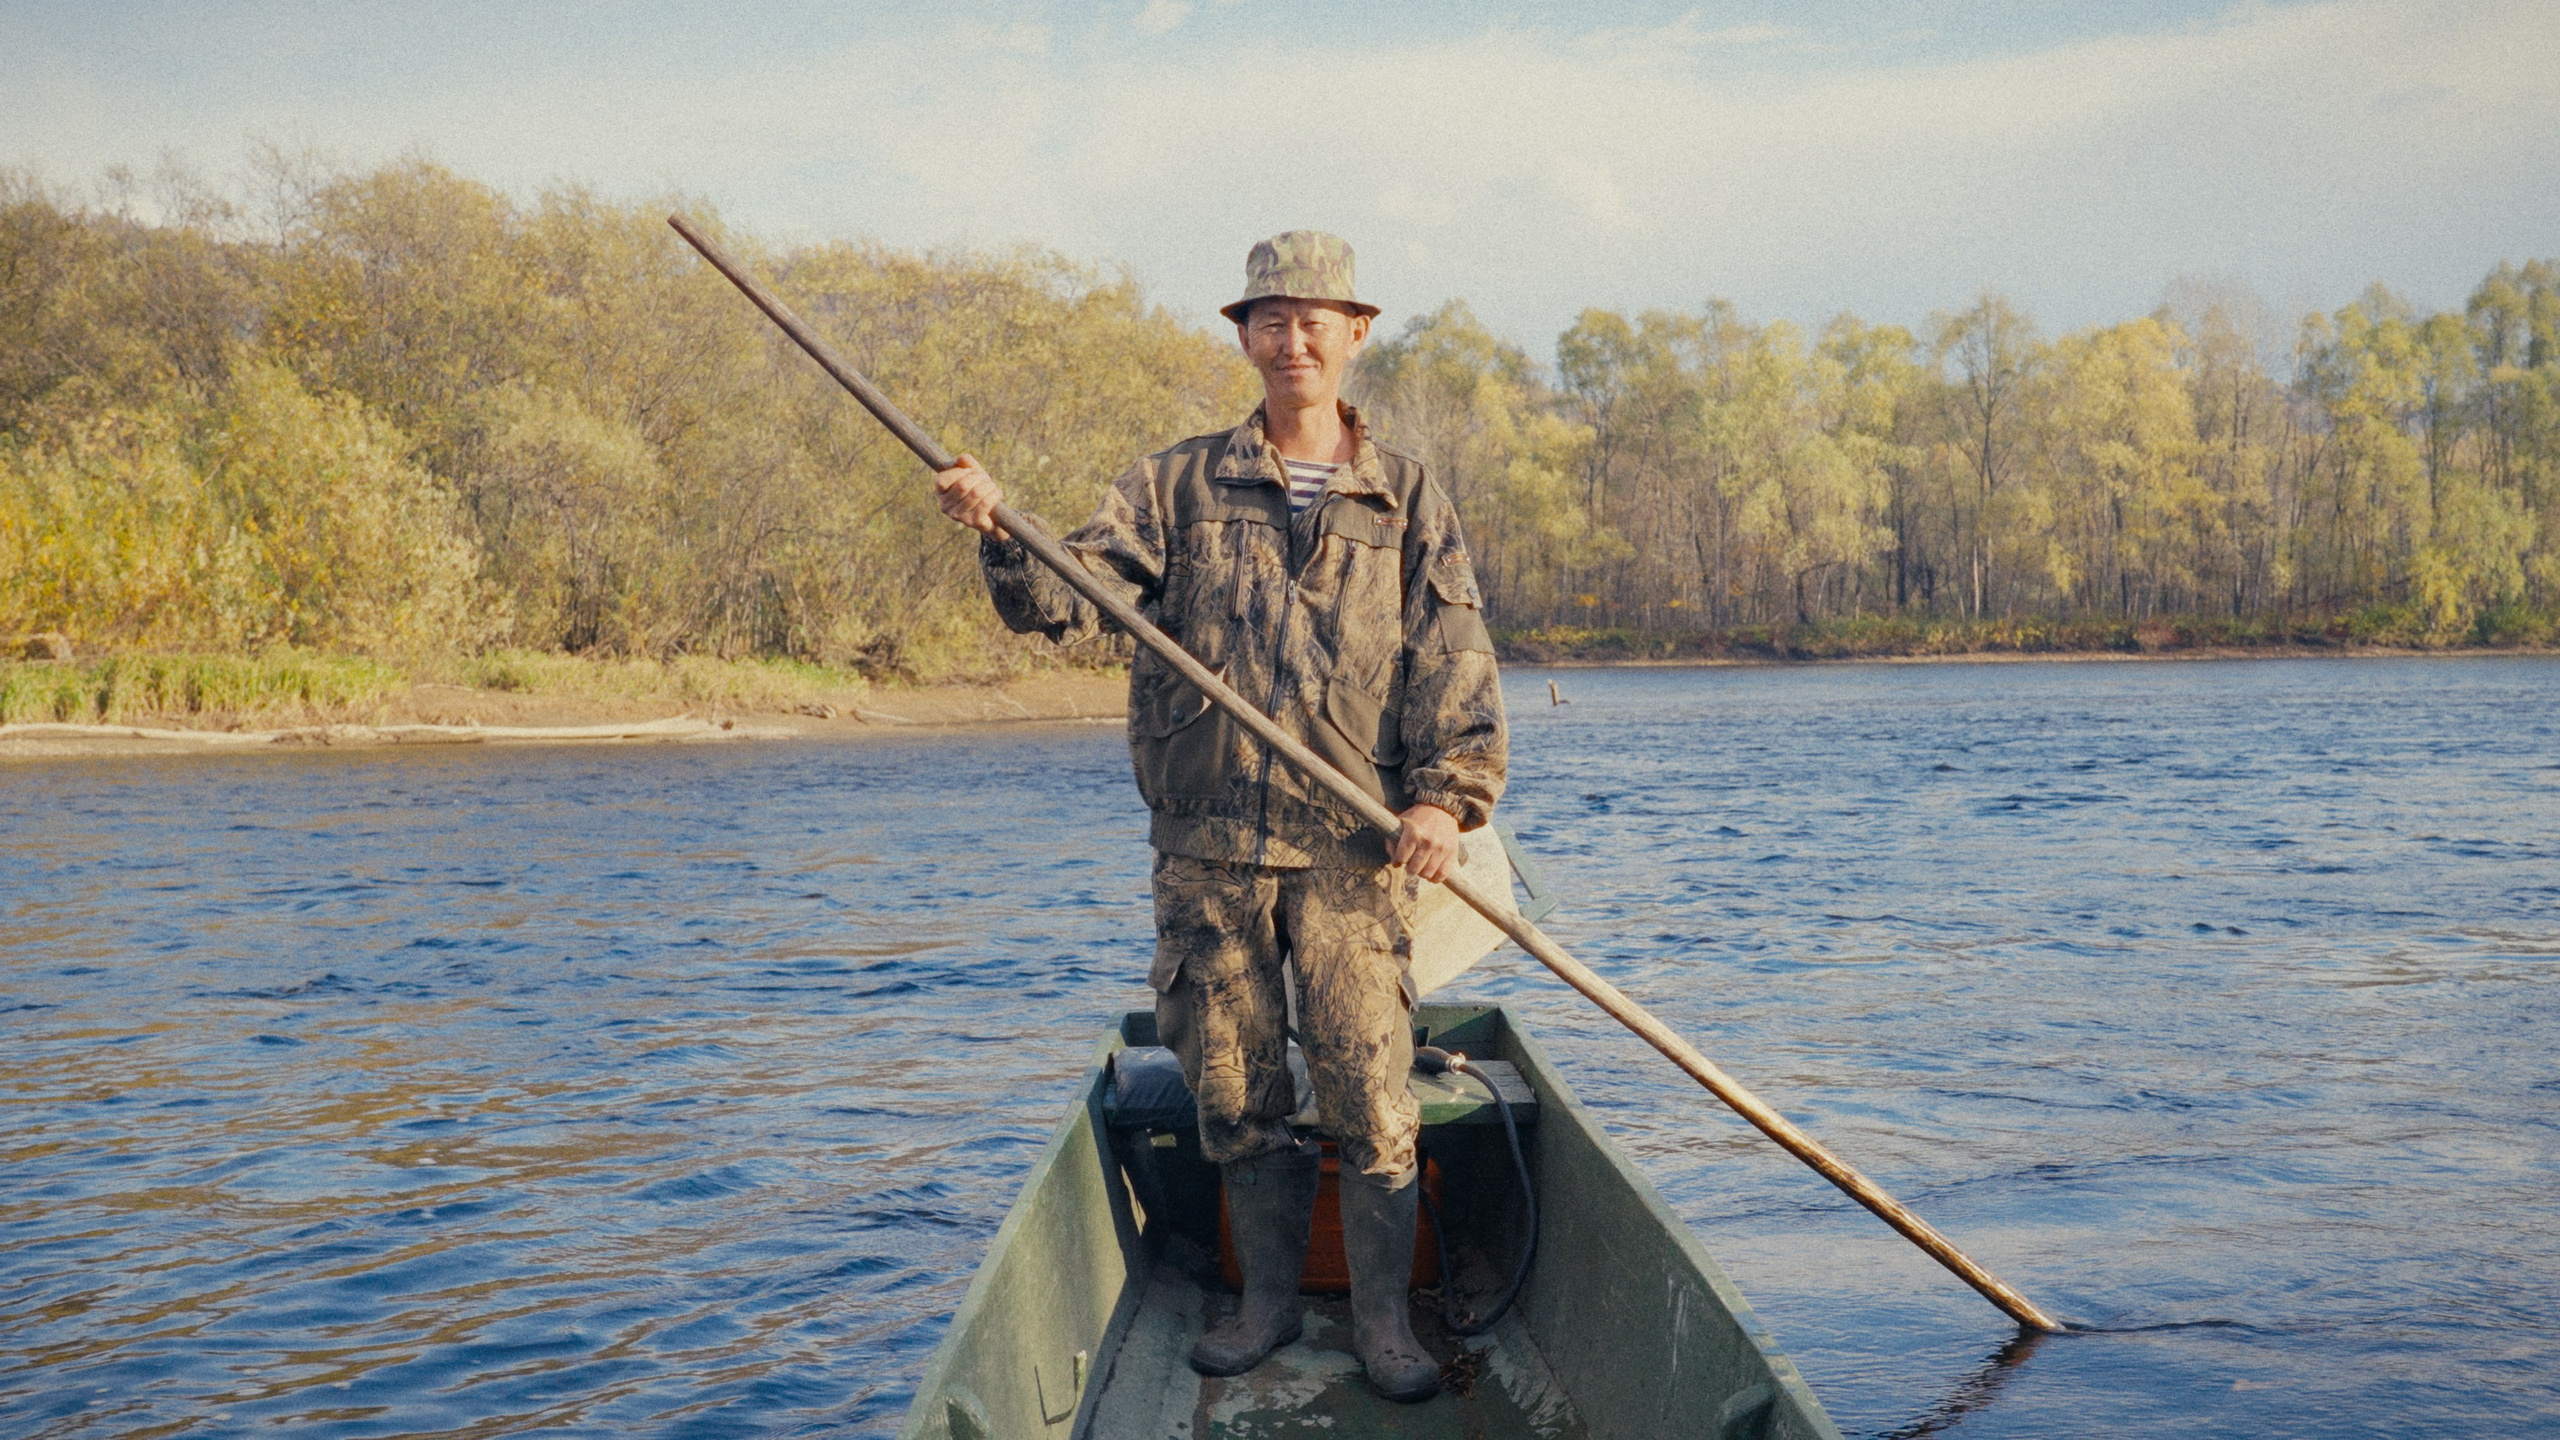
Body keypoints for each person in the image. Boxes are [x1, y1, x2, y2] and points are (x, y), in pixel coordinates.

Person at [932, 230, 1505, 1404]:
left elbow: (1456, 660)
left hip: (1354, 852)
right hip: (1207, 849)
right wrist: (999, 530)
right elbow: (1069, 604)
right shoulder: (1172, 485)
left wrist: (1445, 802)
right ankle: (1263, 1307)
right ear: (1242, 336)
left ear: (1354, 336)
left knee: (1368, 1091)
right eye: (1270, 320)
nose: (1293, 341)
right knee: (1236, 1093)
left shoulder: (1404, 499)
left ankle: (1386, 1326)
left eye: (1316, 321)